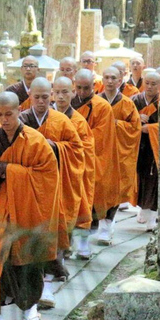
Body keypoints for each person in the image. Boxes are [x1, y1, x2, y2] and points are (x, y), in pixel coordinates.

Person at [0, 92, 59, 320]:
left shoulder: (35, 141)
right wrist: (5, 170)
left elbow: (47, 177)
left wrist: (8, 171)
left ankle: (30, 307)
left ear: (18, 111)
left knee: (28, 260)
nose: (4, 120)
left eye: (9, 114)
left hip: (28, 211)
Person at [20, 78, 84, 308]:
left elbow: (77, 151)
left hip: (54, 188)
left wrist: (55, 146)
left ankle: (47, 288)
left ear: (52, 96)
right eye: (36, 97)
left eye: (45, 97)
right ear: (30, 96)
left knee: (51, 235)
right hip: (27, 187)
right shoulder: (20, 120)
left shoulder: (61, 121)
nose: (40, 101)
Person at [72, 69, 120, 244]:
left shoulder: (102, 106)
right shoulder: (69, 103)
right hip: (73, 155)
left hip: (97, 155)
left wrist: (75, 141)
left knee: (102, 189)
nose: (82, 92)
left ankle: (105, 227)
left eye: (86, 88)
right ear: (74, 85)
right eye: (79, 88)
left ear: (94, 85)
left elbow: (99, 136)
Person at [52, 76, 94, 259]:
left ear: (73, 93)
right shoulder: (45, 116)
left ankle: (74, 242)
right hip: (49, 172)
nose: (61, 97)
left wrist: (57, 147)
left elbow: (86, 149)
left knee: (73, 205)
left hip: (72, 171)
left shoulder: (78, 121)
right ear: (52, 93)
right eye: (58, 92)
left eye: (65, 92)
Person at [99, 66, 141, 211]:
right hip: (100, 150)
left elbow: (135, 128)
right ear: (102, 79)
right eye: (107, 77)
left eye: (113, 78)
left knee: (117, 185)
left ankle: (109, 222)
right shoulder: (95, 102)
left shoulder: (127, 103)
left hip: (119, 149)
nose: (110, 81)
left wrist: (117, 124)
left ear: (119, 81)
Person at [132, 72, 160, 231]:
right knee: (140, 177)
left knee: (153, 179)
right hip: (138, 145)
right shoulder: (134, 101)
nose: (150, 87)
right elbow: (125, 121)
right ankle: (142, 209)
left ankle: (152, 216)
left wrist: (149, 128)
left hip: (155, 148)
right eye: (147, 83)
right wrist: (137, 119)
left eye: (153, 84)